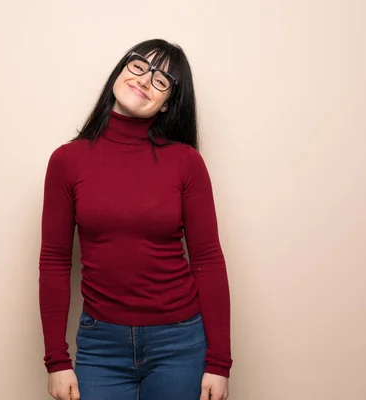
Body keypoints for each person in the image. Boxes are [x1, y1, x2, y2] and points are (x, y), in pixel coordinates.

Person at [38, 38, 232, 400]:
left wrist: (219, 363)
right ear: (121, 70)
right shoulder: (67, 161)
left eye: (162, 80)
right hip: (100, 346)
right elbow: (54, 263)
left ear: (167, 104)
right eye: (140, 66)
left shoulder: (186, 162)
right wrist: (57, 361)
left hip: (179, 343)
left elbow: (207, 260)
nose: (145, 79)